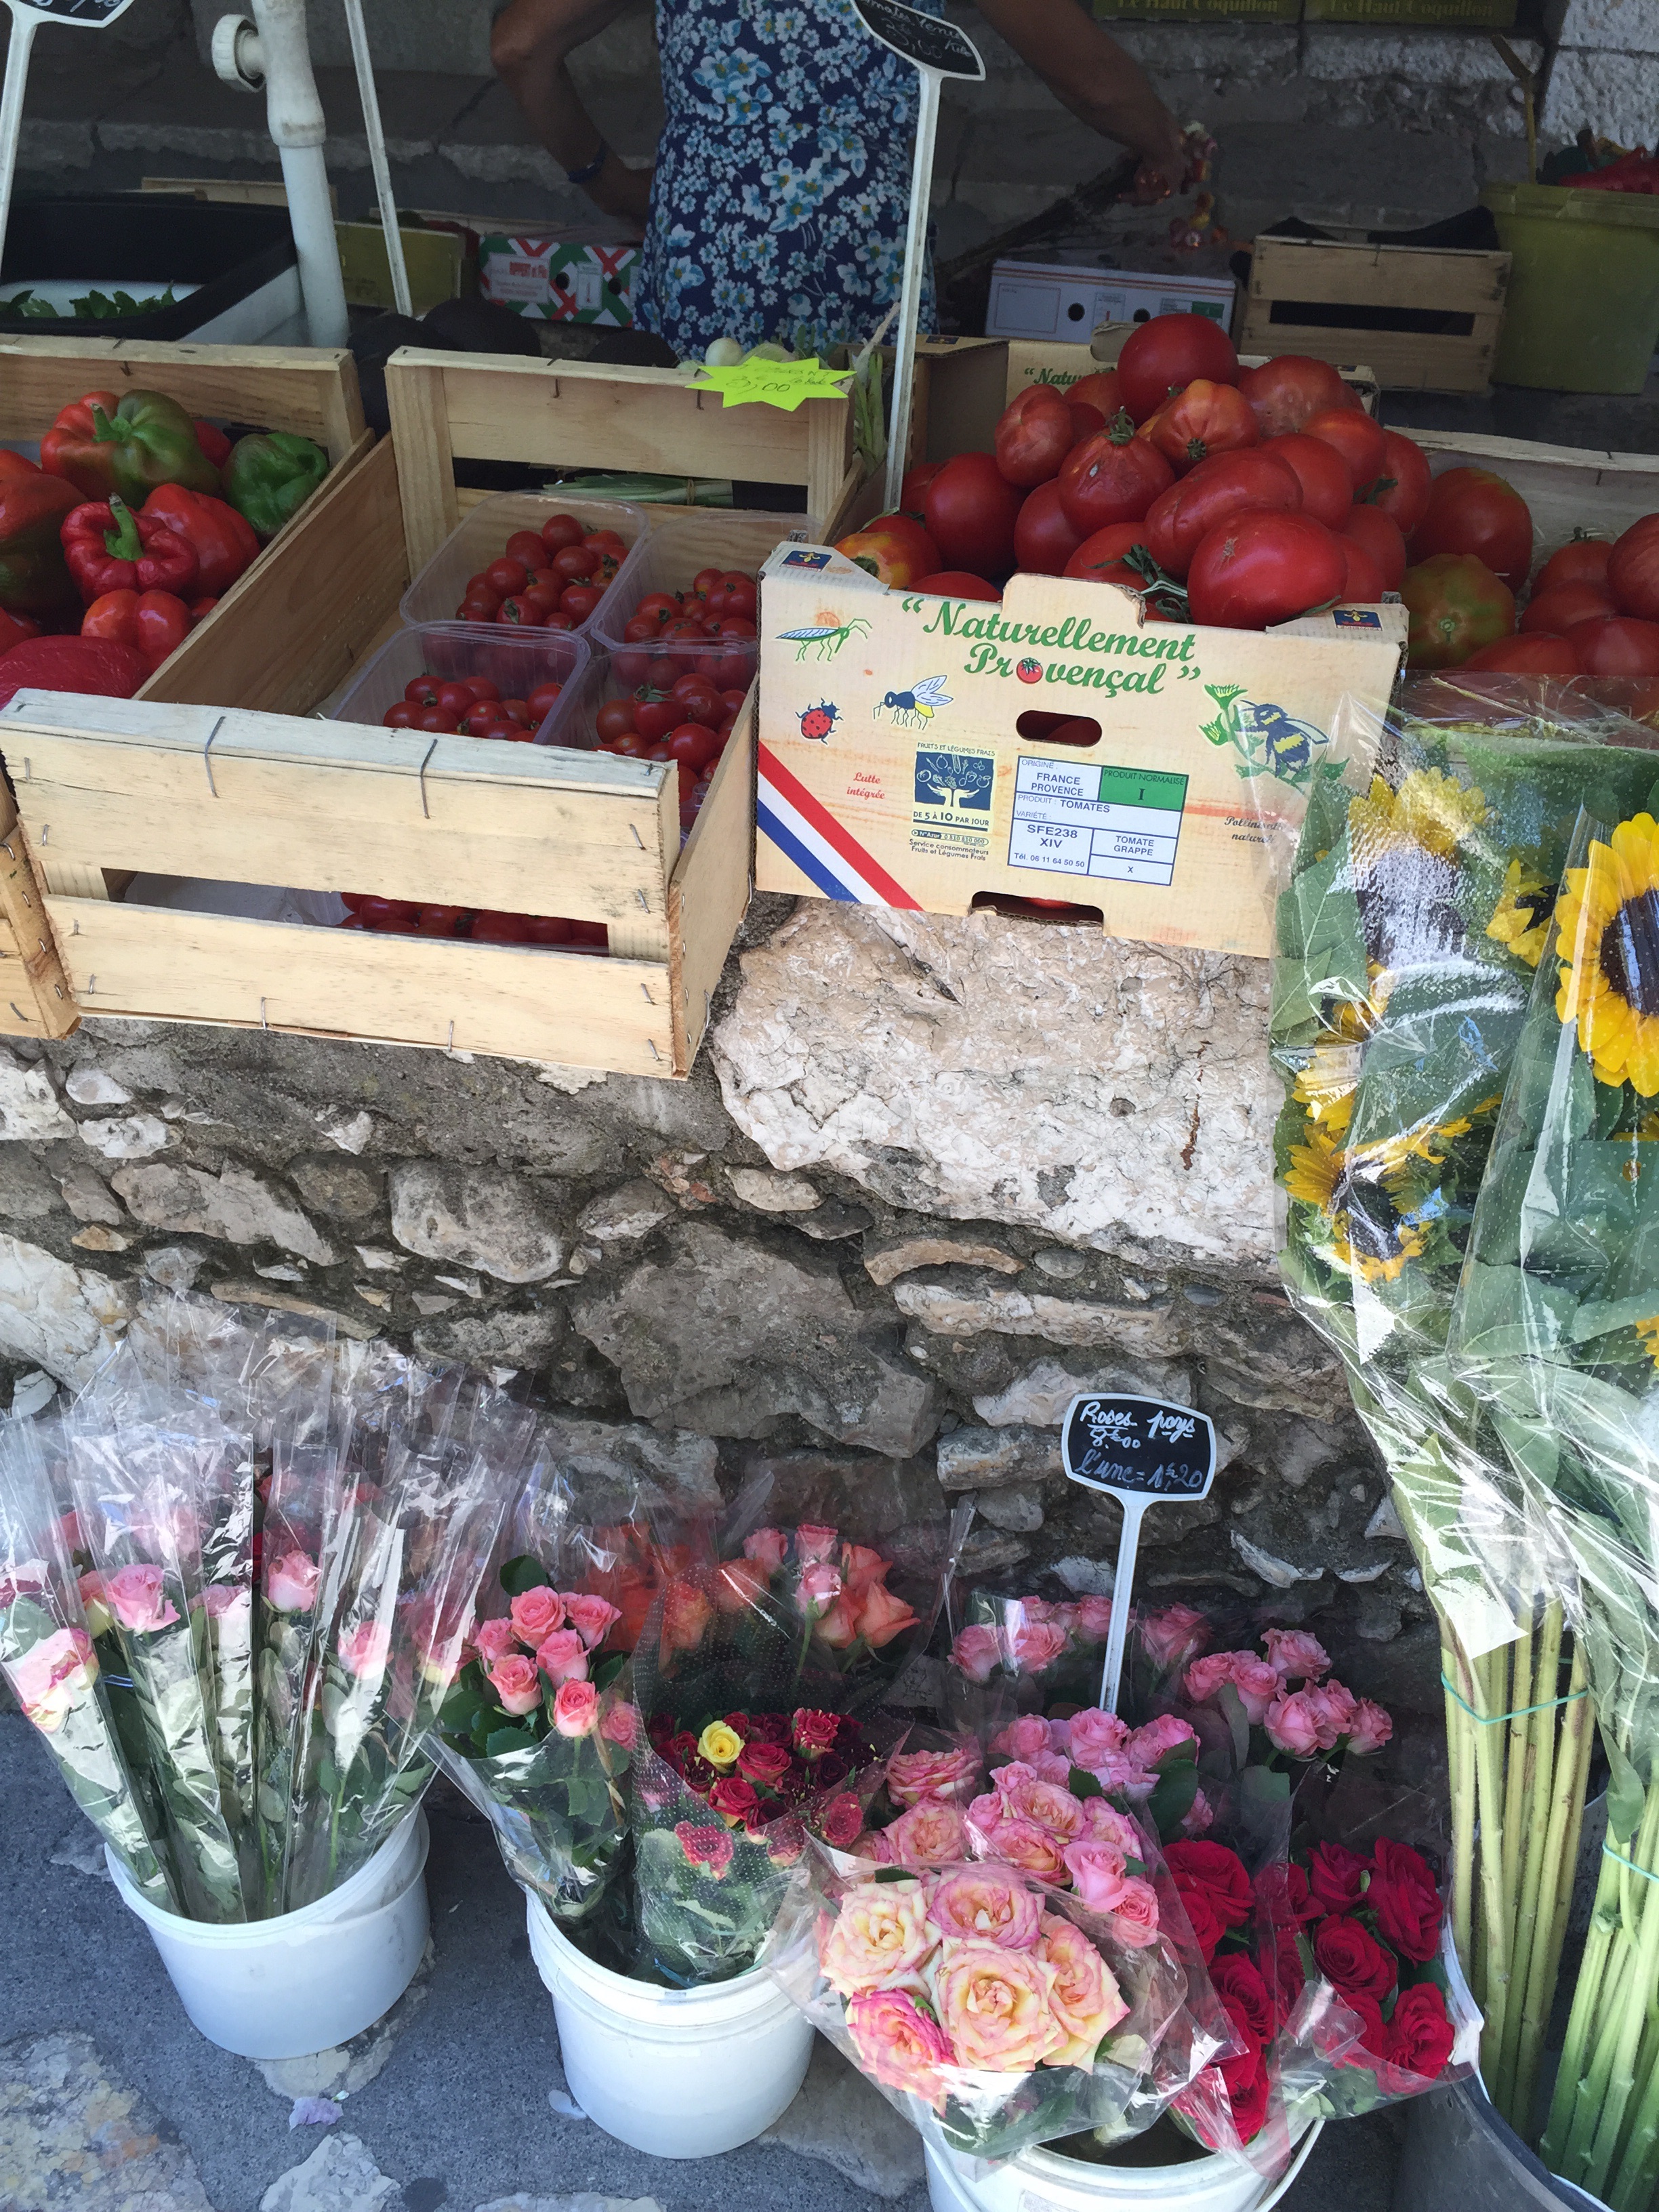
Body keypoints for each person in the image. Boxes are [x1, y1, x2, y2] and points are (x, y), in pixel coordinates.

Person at [491, 0, 1188, 360]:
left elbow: (520, 47)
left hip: (703, 256)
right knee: (851, 519)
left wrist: (608, 182)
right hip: (857, 257)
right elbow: (1092, 82)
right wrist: (1163, 143)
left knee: (699, 495)